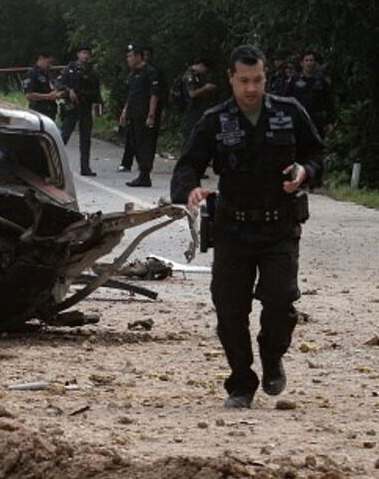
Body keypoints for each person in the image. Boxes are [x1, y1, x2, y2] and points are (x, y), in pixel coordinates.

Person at [171, 44, 324, 409]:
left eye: (257, 80)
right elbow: (187, 164)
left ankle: (272, 357)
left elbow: (316, 154)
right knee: (229, 310)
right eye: (244, 81)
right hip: (233, 229)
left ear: (265, 77)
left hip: (279, 228)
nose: (251, 88)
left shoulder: (289, 112)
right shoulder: (215, 119)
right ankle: (241, 380)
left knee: (280, 301)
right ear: (231, 78)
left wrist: (305, 172)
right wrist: (190, 190)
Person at [119, 43, 161, 187]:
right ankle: (142, 173)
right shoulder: (132, 73)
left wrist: (151, 114)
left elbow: (154, 94)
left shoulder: (150, 72)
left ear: (138, 56)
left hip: (144, 114)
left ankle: (145, 175)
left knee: (145, 144)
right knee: (134, 143)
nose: (128, 59)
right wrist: (125, 110)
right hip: (133, 113)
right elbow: (131, 94)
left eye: (130, 56)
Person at [57, 44, 102, 176]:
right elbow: (59, 83)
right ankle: (55, 165)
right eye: (83, 53)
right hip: (71, 107)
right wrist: (68, 90)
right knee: (64, 136)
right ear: (78, 54)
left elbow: (96, 91)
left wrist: (97, 105)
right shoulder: (70, 69)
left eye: (88, 53)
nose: (86, 56)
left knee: (85, 139)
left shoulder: (92, 72)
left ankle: (85, 167)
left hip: (85, 106)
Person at [287, 51, 335, 137]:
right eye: (307, 60)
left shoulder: (321, 81)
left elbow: (329, 102)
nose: (309, 63)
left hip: (317, 121)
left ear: (315, 63)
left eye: (311, 60)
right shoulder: (294, 80)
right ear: (302, 63)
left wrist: (330, 122)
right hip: (299, 121)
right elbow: (287, 99)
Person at [180, 57, 218, 144]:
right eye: (205, 69)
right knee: (191, 132)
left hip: (199, 108)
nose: (205, 72)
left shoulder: (197, 76)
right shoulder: (189, 76)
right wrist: (205, 88)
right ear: (201, 65)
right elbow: (192, 94)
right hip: (192, 108)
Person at [22, 52, 59, 120]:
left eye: (51, 63)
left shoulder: (48, 74)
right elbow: (28, 95)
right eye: (48, 62)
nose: (50, 65)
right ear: (41, 59)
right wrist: (47, 96)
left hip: (51, 110)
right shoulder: (32, 74)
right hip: (38, 110)